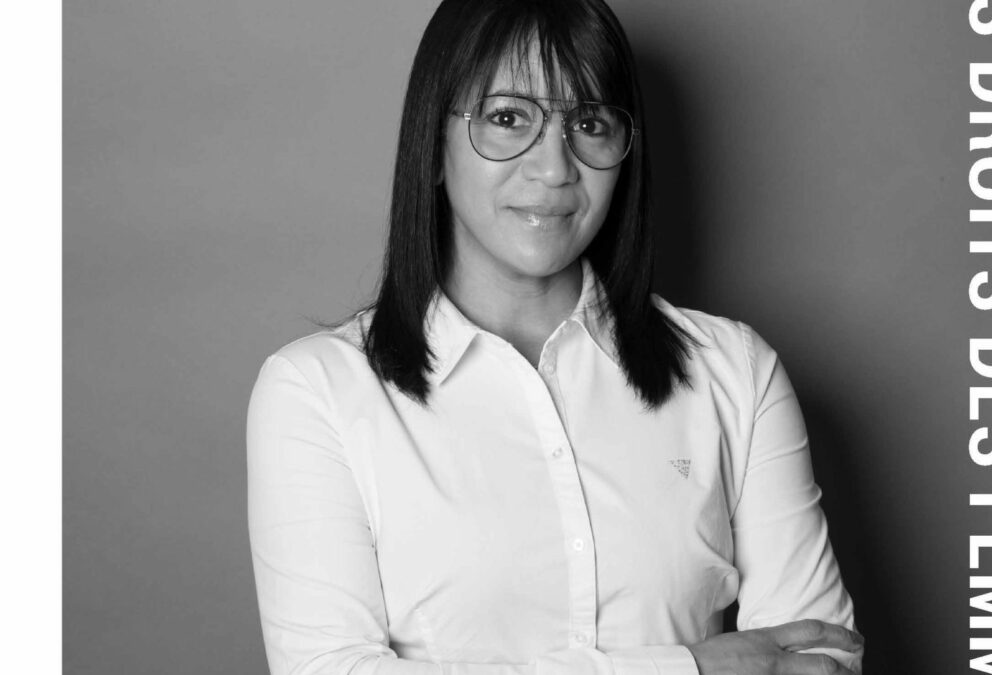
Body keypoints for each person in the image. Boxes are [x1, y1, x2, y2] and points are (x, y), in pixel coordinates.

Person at [246, 0, 864, 673]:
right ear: (433, 145)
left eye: (589, 123)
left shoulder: (736, 372)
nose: (554, 167)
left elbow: (821, 657)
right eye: (508, 118)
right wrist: (694, 667)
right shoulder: (316, 392)